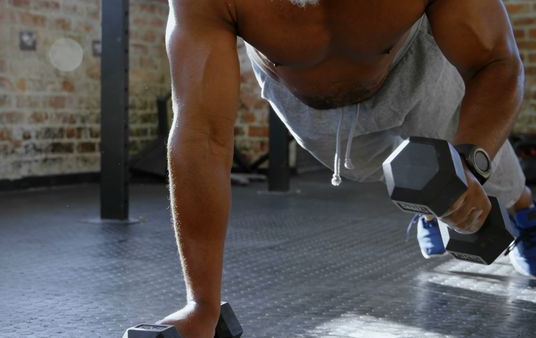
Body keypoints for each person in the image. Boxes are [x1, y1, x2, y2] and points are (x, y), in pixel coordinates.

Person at [161, 0, 535, 336]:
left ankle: (522, 209)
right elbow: (202, 136)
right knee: (369, 168)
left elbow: (496, 61)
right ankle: (429, 204)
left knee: (466, 159)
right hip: (308, 104)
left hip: (415, 64)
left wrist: (469, 162)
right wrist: (202, 305)